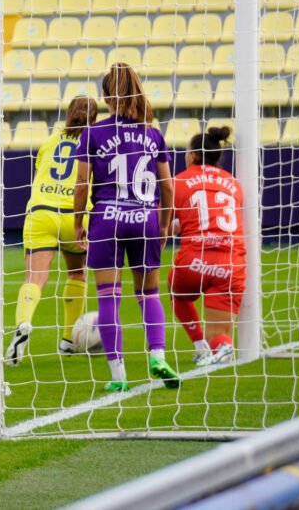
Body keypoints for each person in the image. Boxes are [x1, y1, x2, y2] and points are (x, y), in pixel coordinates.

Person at [73, 62, 180, 392]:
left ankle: (118, 376)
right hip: (144, 217)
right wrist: (162, 225)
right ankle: (158, 356)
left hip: (107, 218)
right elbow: (168, 187)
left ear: (106, 98)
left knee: (108, 297)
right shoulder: (153, 134)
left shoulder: (94, 133)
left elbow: (80, 183)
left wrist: (79, 223)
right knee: (149, 294)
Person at [6, 96, 96, 366]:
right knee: (76, 272)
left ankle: (23, 323)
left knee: (34, 276)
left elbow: (38, 178)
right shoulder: (94, 142)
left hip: (41, 212)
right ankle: (69, 340)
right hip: (74, 214)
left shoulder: (49, 141)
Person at [169, 126, 245, 366]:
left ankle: (201, 346)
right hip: (230, 264)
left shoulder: (179, 181)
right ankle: (222, 347)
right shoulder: (232, 183)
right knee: (220, 334)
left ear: (193, 156)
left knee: (176, 290)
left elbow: (164, 222)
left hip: (195, 261)